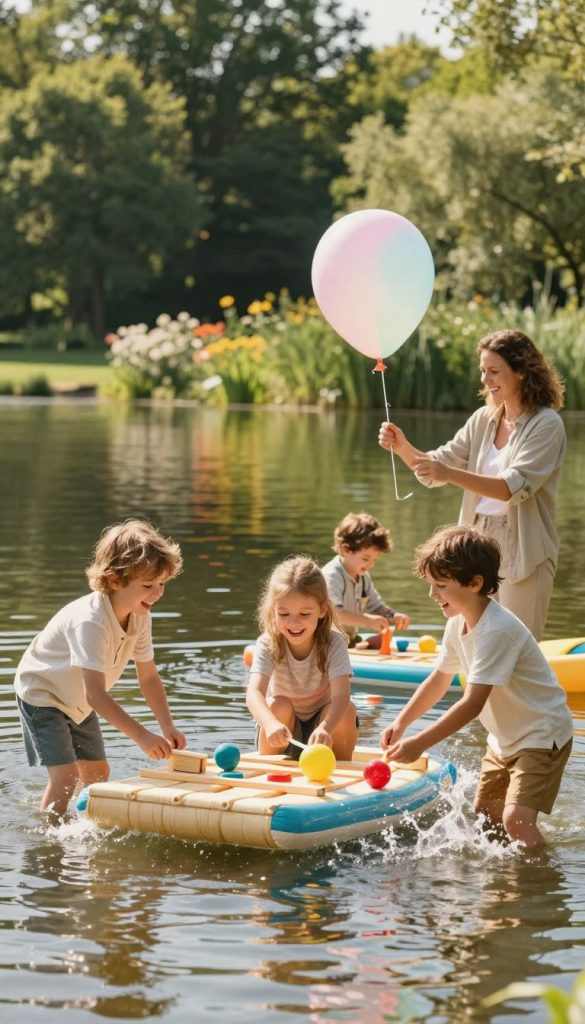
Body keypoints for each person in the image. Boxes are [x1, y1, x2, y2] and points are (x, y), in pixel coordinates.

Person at [381, 524, 573, 848]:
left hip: (541, 735)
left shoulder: (497, 631)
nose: (432, 595)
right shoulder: (457, 623)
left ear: (474, 583)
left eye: (440, 585)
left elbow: (472, 704)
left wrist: (419, 743)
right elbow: (439, 680)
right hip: (505, 739)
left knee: (516, 821)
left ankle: (542, 884)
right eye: (431, 585)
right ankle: (503, 880)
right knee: (485, 814)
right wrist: (402, 722)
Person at [378, 329, 566, 640]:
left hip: (525, 549)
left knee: (517, 646)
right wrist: (402, 447)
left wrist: (447, 473)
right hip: (476, 543)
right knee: (472, 642)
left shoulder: (546, 424)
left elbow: (512, 487)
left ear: (520, 372)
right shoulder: (483, 419)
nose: (485, 379)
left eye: (494, 371)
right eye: (482, 371)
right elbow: (436, 466)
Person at [14, 519, 187, 820]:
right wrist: (141, 736)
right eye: (148, 585)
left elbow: (148, 676)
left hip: (77, 700)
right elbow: (95, 695)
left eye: (162, 584)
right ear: (114, 580)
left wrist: (166, 725)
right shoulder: (90, 622)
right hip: (42, 694)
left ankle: (83, 828)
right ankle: (50, 839)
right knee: (66, 778)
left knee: (97, 773)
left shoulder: (140, 615)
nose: (158, 593)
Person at [246, 555, 358, 759]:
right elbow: (254, 693)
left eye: (305, 614)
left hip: (323, 729)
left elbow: (342, 696)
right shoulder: (268, 642)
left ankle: (340, 765)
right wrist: (270, 724)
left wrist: (326, 728)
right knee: (278, 705)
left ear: (322, 610)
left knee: (346, 710)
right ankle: (272, 768)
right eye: (284, 614)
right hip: (283, 731)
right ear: (273, 611)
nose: (294, 623)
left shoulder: (335, 643)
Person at [321, 512, 411, 648]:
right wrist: (368, 621)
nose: (371, 565)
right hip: (325, 643)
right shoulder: (332, 576)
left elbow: (376, 606)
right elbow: (334, 614)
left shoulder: (362, 576)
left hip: (347, 639)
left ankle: (359, 645)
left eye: (375, 559)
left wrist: (393, 615)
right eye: (366, 559)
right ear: (345, 549)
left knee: (384, 636)